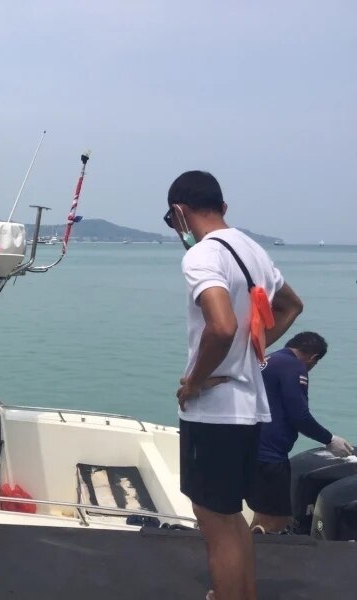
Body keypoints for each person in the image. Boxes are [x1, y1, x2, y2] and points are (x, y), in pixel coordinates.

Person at [165, 171, 303, 600]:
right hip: (250, 408)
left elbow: (221, 326)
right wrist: (252, 351)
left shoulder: (202, 256)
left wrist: (194, 382)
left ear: (180, 213)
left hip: (216, 408)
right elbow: (291, 306)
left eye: (173, 224)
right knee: (230, 517)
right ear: (222, 207)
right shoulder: (254, 251)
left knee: (214, 519)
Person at [248, 332, 354, 534]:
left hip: (250, 448)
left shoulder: (268, 360)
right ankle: (259, 562)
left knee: (261, 516)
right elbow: (299, 415)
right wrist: (330, 440)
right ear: (313, 358)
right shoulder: (294, 366)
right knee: (277, 521)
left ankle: (244, 557)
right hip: (270, 456)